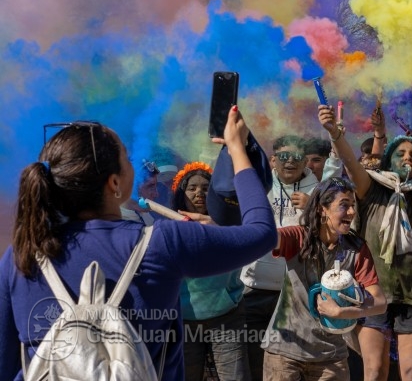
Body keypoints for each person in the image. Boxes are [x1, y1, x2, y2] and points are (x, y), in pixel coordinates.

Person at [0, 107, 276, 380]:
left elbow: (5, 361)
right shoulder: (162, 242)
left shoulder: (22, 255)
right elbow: (261, 233)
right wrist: (237, 151)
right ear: (115, 183)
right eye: (126, 157)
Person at [318, 104, 412, 381]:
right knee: (374, 372)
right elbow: (351, 163)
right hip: (373, 292)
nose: (408, 158)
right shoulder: (372, 187)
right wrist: (335, 133)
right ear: (389, 160)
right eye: (401, 153)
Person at [262, 177, 387, 380]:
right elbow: (266, 238)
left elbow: (380, 302)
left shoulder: (355, 248)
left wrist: (343, 311)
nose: (352, 212)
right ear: (322, 209)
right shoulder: (299, 238)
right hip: (285, 349)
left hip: (331, 355)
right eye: (344, 205)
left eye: (353, 205)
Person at [242, 134, 321, 380]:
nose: (290, 162)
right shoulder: (258, 186)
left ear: (305, 162)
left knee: (291, 365)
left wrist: (313, 207)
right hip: (254, 290)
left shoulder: (318, 191)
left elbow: (332, 232)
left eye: (297, 157)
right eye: (284, 156)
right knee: (255, 364)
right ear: (273, 159)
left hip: (294, 294)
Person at [172, 161, 251, 380]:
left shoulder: (233, 225)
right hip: (184, 318)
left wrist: (217, 230)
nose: (199, 193)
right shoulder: (169, 227)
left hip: (227, 316)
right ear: (181, 192)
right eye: (192, 188)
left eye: (206, 189)